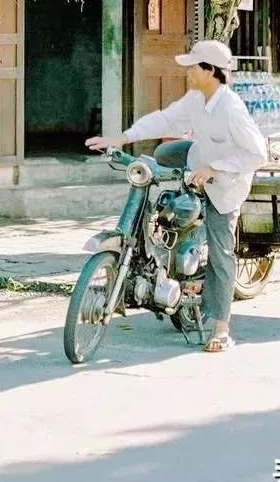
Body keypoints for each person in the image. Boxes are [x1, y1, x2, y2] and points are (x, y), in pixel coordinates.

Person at [86, 39, 267, 353]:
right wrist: (122, 138)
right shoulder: (196, 99)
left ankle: (222, 328)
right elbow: (165, 119)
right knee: (160, 154)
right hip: (197, 161)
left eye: (194, 67)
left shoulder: (231, 108)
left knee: (222, 251)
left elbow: (257, 154)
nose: (188, 72)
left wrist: (215, 168)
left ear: (210, 71)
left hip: (227, 183)